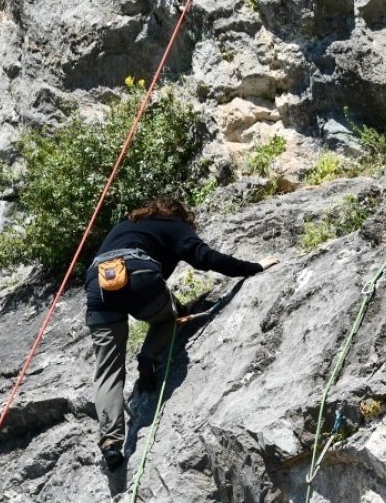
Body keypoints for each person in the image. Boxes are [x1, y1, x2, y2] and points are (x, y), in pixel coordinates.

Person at [84, 196, 278, 470]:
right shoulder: (173, 225)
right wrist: (253, 267)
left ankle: (110, 443)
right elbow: (205, 257)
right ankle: (149, 359)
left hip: (99, 285)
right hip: (138, 275)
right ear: (180, 216)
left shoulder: (126, 227)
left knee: (108, 370)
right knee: (169, 316)